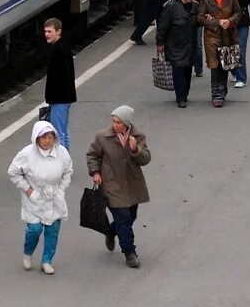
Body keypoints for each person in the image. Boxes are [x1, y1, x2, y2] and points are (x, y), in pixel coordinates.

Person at [87, 105, 150, 268]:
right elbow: (92, 155)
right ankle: (130, 252)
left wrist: (135, 149)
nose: (115, 125)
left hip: (132, 184)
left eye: (119, 122)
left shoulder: (138, 136)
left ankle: (110, 231)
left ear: (127, 124)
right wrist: (95, 172)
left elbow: (146, 159)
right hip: (111, 184)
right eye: (113, 121)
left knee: (131, 217)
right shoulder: (102, 137)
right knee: (123, 218)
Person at [9, 120, 74, 275]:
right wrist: (29, 190)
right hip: (35, 198)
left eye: (50, 137)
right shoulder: (26, 154)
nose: (47, 141)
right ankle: (28, 252)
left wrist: (61, 189)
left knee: (53, 231)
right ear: (36, 138)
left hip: (54, 197)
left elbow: (68, 171)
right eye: (43, 137)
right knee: (35, 229)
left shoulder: (62, 152)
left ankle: (46, 261)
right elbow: (13, 172)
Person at [199, 0, 243, 107]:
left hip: (228, 35)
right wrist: (217, 22)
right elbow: (200, 18)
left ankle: (222, 91)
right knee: (215, 65)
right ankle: (216, 94)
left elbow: (238, 12)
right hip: (212, 36)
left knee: (225, 64)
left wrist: (229, 21)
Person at [156, 0, 200, 108]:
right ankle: (181, 97)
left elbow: (199, 21)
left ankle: (184, 94)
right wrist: (160, 43)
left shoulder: (195, 6)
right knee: (178, 70)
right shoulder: (170, 7)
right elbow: (162, 27)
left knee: (187, 70)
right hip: (174, 45)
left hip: (190, 45)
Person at [41, 18, 75, 148]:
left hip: (60, 98)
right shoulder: (61, 47)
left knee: (58, 133)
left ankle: (62, 164)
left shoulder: (59, 50)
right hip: (62, 97)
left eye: (50, 31)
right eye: (45, 31)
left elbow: (61, 76)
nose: (47, 35)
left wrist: (52, 97)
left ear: (58, 31)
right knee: (63, 132)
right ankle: (65, 162)